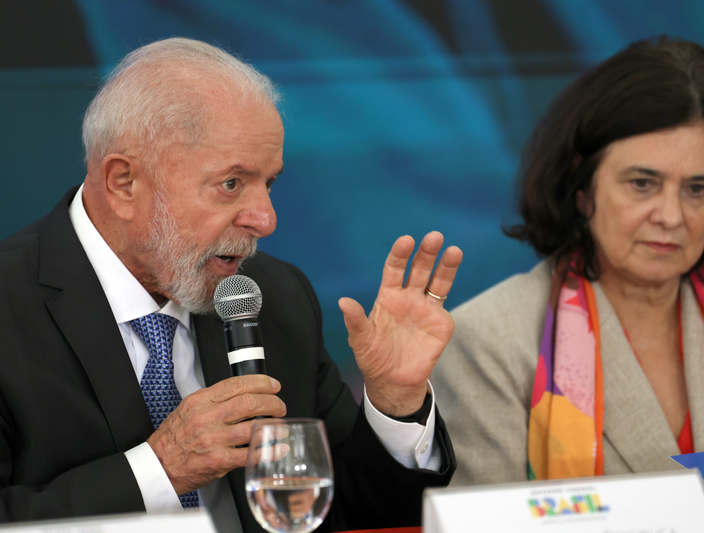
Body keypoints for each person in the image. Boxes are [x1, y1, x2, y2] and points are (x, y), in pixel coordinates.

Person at [0, 38, 463, 531]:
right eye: (231, 184)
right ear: (123, 183)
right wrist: (161, 470)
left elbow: (350, 513)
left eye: (270, 183)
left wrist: (394, 402)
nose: (266, 219)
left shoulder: (276, 296)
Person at [431, 36, 704, 487]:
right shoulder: (490, 341)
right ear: (582, 187)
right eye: (643, 183)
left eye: (697, 189)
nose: (671, 216)